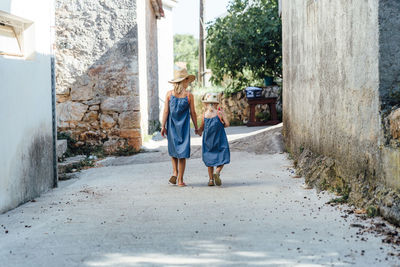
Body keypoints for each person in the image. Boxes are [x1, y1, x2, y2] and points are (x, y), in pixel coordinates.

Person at [161, 68, 198, 187]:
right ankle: (180, 180)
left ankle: (174, 172)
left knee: (173, 150)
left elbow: (166, 111)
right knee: (182, 152)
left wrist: (163, 126)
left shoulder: (169, 94)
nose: (188, 83)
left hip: (171, 126)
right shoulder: (189, 96)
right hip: (184, 128)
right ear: (184, 81)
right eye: (187, 81)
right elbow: (193, 113)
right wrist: (197, 127)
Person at [198, 93, 230, 186]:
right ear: (217, 104)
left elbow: (202, 128)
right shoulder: (220, 113)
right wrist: (223, 123)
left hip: (208, 140)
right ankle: (217, 171)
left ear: (206, 104)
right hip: (220, 139)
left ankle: (211, 180)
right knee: (223, 155)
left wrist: (199, 131)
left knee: (209, 157)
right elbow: (227, 124)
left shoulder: (204, 115)